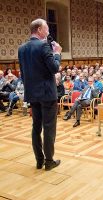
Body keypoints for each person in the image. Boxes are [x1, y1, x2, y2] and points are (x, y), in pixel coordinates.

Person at [18, 18, 62, 171]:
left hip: (32, 94)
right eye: (47, 29)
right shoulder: (43, 46)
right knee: (49, 127)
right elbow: (55, 68)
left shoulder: (21, 48)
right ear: (39, 30)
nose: (48, 32)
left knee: (36, 127)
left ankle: (39, 160)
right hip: (47, 94)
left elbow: (23, 74)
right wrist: (56, 53)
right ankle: (49, 161)